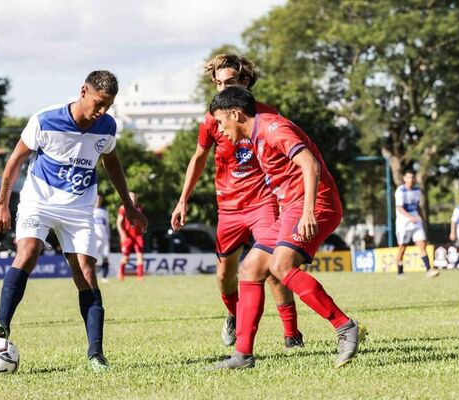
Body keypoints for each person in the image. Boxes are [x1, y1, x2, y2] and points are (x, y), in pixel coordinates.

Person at [0, 70, 148, 370]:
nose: (102, 111)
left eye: (108, 106)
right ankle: (1, 327)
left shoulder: (107, 126)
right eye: (99, 103)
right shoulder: (45, 120)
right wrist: (2, 204)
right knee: (29, 251)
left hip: (78, 209)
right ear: (83, 91)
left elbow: (112, 163)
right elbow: (15, 160)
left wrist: (129, 205)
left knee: (86, 272)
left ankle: (96, 354)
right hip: (40, 201)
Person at [208, 87, 366, 369]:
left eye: (221, 122)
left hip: (315, 203)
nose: (220, 129)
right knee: (251, 268)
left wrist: (307, 213)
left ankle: (345, 327)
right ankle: (242, 355)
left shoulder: (272, 128)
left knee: (281, 266)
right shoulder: (255, 135)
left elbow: (310, 164)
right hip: (291, 207)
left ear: (235, 114)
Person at [171, 54, 302, 348]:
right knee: (223, 275)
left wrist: (288, 199)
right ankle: (233, 315)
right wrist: (183, 200)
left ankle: (291, 334)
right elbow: (198, 158)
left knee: (271, 268)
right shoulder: (212, 119)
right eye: (217, 84)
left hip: (264, 203)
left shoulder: (267, 117)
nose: (222, 89)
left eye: (229, 82)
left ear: (245, 82)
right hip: (228, 208)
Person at [394, 170, 440, 278]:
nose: (411, 180)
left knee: (422, 244)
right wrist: (410, 217)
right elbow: (399, 208)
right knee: (402, 247)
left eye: (412, 177)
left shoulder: (417, 190)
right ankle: (400, 272)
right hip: (403, 224)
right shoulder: (400, 191)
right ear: (404, 178)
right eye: (409, 177)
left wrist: (422, 218)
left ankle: (429, 270)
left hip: (416, 222)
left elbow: (417, 206)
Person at [117, 192, 144, 281]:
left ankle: (140, 276)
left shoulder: (139, 208)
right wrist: (122, 234)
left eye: (134, 196)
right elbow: (119, 222)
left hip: (138, 236)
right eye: (130, 196)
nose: (133, 198)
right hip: (128, 236)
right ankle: (121, 275)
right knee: (125, 257)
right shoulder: (123, 208)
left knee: (140, 256)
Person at [93, 195, 111, 282]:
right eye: (96, 199)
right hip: (94, 239)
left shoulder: (104, 211)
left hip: (104, 238)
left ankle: (104, 277)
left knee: (105, 257)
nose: (98, 201)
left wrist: (108, 236)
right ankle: (92, 277)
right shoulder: (90, 210)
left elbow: (107, 225)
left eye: (99, 199)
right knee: (92, 258)